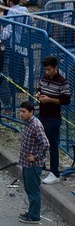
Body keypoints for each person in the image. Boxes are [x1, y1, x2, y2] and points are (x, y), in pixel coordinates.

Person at [36, 55, 70, 185]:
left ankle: (54, 172)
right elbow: (39, 89)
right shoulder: (44, 78)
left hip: (53, 118)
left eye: (49, 69)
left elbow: (66, 100)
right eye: (45, 69)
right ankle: (41, 165)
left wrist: (49, 100)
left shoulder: (62, 81)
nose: (47, 72)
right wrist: (38, 94)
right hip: (43, 115)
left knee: (53, 145)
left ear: (56, 68)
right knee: (41, 142)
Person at [18, 100, 50, 223]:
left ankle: (34, 216)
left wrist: (36, 157)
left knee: (33, 190)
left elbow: (46, 144)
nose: (21, 114)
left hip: (33, 164)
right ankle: (31, 212)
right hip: (27, 163)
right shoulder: (28, 123)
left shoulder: (35, 126)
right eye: (20, 111)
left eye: (24, 112)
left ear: (31, 112)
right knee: (29, 188)